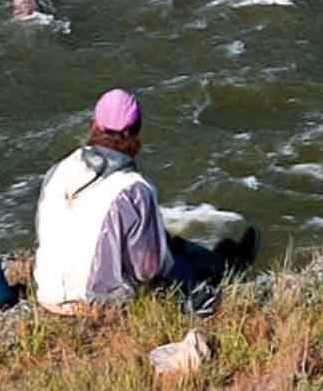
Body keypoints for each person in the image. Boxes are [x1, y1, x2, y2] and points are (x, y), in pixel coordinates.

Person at [32, 88, 257, 313]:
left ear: (96, 125)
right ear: (135, 132)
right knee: (172, 257)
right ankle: (226, 269)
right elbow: (148, 269)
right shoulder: (134, 189)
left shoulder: (58, 170)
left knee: (166, 244)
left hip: (47, 292)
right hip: (96, 301)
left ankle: (222, 262)